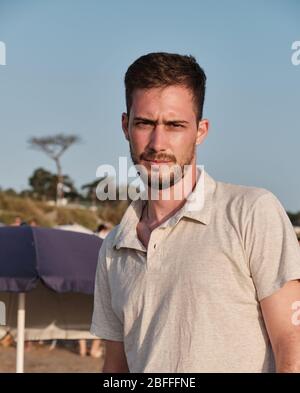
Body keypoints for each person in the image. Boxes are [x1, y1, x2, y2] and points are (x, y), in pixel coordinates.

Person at [90, 52, 300, 373]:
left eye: (175, 125)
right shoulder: (114, 246)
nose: (158, 143)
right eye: (145, 123)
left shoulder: (251, 212)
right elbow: (116, 367)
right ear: (125, 125)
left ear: (201, 130)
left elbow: (292, 341)